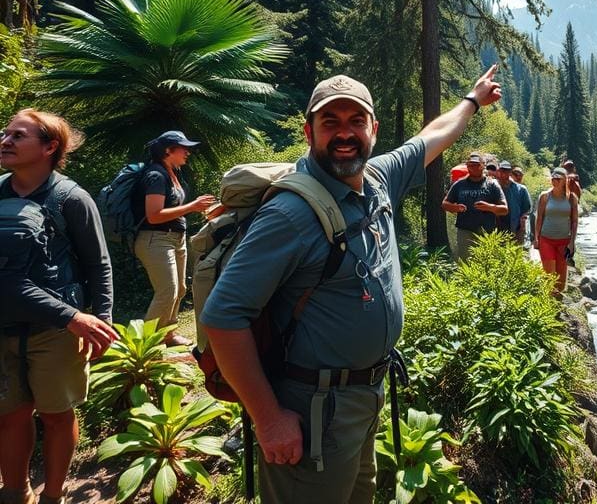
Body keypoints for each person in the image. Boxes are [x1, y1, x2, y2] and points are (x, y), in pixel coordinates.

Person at [201, 66, 502, 504]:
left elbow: (434, 136)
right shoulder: (290, 215)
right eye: (331, 123)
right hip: (312, 413)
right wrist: (268, 420)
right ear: (309, 131)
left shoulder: (377, 179)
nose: (345, 134)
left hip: (365, 397)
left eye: (355, 122)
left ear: (373, 130)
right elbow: (223, 317)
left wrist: (472, 101)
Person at [0, 110, 119, 504]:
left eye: (19, 135)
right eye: (6, 133)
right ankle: (16, 493)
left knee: (56, 415)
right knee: (10, 416)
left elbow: (97, 263)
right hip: (4, 326)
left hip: (61, 330)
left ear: (50, 147)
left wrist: (102, 320)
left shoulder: (71, 198)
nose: (6, 140)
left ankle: (53, 495)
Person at [133, 131, 217, 347]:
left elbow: (172, 209)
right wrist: (192, 206)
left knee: (179, 289)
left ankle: (168, 335)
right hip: (155, 239)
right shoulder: (156, 175)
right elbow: (154, 215)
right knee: (167, 291)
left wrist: (197, 209)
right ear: (168, 150)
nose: (188, 152)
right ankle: (144, 346)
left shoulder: (172, 173)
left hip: (175, 238)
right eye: (183, 147)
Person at [441, 151, 507, 263]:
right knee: (465, 263)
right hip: (464, 231)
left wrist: (490, 207)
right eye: (470, 165)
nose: (473, 168)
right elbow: (445, 204)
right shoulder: (459, 184)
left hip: (486, 232)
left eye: (476, 165)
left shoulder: (492, 184)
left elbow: (504, 209)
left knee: (485, 262)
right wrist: (456, 208)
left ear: (482, 166)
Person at [534, 167, 578, 296]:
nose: (555, 181)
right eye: (553, 178)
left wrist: (572, 242)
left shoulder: (571, 198)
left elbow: (574, 221)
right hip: (546, 239)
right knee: (549, 276)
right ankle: (548, 306)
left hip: (564, 241)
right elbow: (539, 217)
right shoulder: (545, 196)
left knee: (560, 280)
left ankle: (557, 307)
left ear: (565, 180)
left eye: (558, 179)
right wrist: (536, 238)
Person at [493, 161, 531, 245]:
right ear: (498, 171)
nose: (504, 174)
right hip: (495, 229)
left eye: (507, 171)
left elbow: (526, 210)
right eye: (502, 171)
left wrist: (522, 228)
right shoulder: (492, 186)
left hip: (514, 229)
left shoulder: (521, 189)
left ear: (510, 172)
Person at [509, 166, 533, 246]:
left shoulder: (522, 189)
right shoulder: (505, 187)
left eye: (520, 175)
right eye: (516, 174)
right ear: (511, 175)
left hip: (519, 224)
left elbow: (528, 207)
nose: (518, 177)